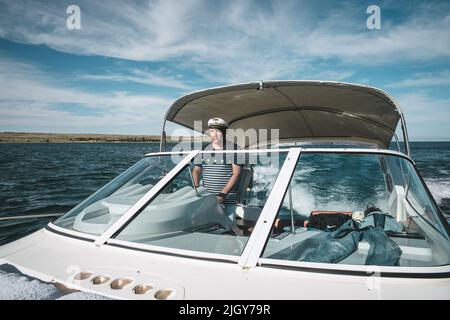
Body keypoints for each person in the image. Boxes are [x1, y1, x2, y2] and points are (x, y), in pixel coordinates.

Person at [192, 117, 243, 235]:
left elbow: (236, 173)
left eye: (217, 131)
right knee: (209, 230)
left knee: (228, 230)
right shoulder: (205, 149)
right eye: (211, 131)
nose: (214, 134)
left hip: (227, 198)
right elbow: (196, 170)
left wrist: (222, 194)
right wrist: (196, 190)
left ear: (224, 132)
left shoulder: (234, 149)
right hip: (207, 198)